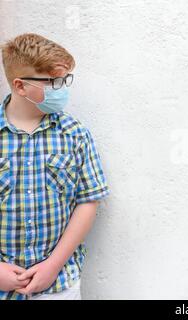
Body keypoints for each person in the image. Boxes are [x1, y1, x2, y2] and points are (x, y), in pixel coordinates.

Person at [0, 33, 110, 300]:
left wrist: (53, 265)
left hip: (58, 285)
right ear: (20, 85)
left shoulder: (74, 134)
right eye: (53, 82)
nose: (62, 89)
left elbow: (88, 201)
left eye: (65, 80)